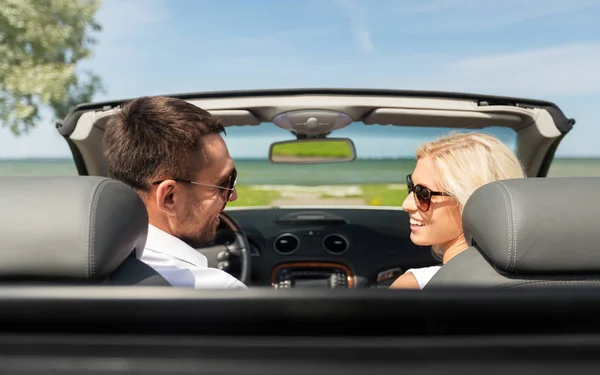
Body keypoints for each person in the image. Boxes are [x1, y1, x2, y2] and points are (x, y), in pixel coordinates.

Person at [103, 96, 247, 289]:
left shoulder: (73, 274)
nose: (233, 195)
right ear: (169, 198)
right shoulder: (221, 291)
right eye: (223, 183)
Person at [390, 132, 525, 289]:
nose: (406, 204)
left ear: (468, 201)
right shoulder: (548, 286)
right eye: (410, 187)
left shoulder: (414, 285)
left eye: (423, 194)